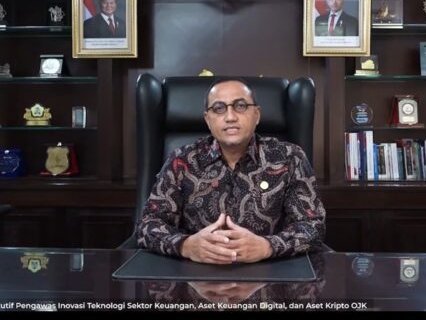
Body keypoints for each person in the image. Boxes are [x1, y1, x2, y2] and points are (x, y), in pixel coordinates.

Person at [136, 77, 326, 264]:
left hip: (270, 270)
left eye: (240, 106)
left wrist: (268, 247)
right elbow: (147, 224)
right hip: (195, 271)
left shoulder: (289, 157)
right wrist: (186, 246)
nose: (230, 117)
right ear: (207, 120)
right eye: (219, 108)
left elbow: (313, 226)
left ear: (257, 115)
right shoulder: (182, 160)